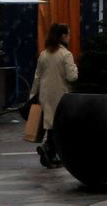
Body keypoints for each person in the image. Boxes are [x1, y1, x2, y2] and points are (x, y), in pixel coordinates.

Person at [31, 23, 78, 168]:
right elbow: (72, 77)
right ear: (63, 36)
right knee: (60, 126)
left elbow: (37, 77)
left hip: (45, 95)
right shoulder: (66, 55)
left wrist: (33, 94)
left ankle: (50, 155)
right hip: (61, 95)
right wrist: (76, 68)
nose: (69, 37)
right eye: (68, 34)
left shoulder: (44, 55)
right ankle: (48, 148)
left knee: (52, 125)